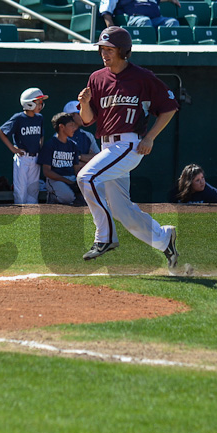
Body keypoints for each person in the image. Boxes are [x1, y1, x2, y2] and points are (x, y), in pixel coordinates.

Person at [75, 26, 179, 267]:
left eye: (110, 49)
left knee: (86, 178)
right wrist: (84, 104)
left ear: (123, 51)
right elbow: (89, 120)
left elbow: (169, 107)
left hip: (129, 146)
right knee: (123, 211)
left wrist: (150, 137)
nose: (104, 53)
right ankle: (165, 240)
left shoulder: (142, 77)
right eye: (102, 48)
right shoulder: (97, 78)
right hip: (107, 147)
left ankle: (105, 238)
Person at [0, 87, 46, 204]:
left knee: (33, 188)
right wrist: (13, 148)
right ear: (28, 103)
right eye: (38, 102)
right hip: (22, 157)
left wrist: (40, 148)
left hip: (35, 157)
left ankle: (31, 213)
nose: (41, 105)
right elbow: (1, 132)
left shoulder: (39, 118)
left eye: (41, 102)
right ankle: (20, 211)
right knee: (21, 188)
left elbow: (41, 135)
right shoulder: (19, 118)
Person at [39, 113, 83, 205]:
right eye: (71, 125)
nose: (74, 128)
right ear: (61, 127)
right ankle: (52, 197)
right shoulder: (50, 145)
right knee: (68, 197)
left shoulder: (73, 145)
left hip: (71, 179)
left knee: (86, 196)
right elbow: (47, 172)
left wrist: (79, 182)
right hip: (55, 180)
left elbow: (76, 169)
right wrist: (67, 182)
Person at [63, 100, 99, 165]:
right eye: (80, 113)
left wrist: (79, 157)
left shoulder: (88, 135)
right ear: (71, 116)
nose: (83, 115)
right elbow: (65, 161)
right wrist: (87, 158)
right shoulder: (60, 136)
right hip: (63, 175)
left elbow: (98, 158)